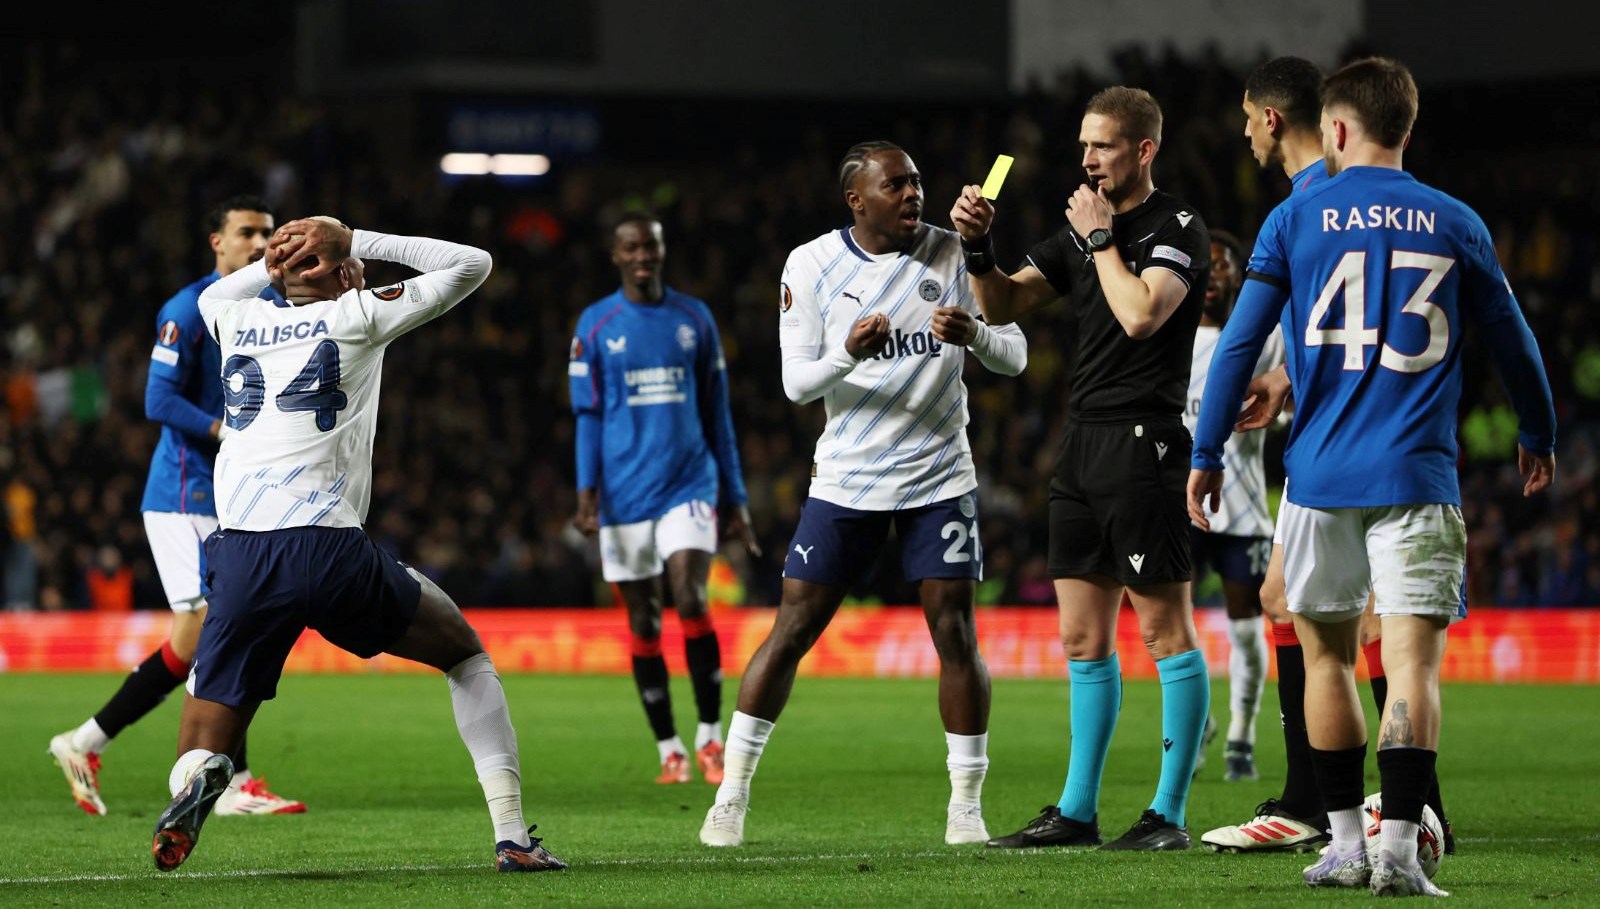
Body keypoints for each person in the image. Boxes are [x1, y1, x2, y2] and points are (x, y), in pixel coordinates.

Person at [1189, 57, 1555, 896]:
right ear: (1405, 127)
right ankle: (1399, 853)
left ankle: (1346, 844)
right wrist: (1537, 431)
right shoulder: (1456, 220)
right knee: (1411, 664)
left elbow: (1238, 346)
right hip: (1419, 474)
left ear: (1338, 128)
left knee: (1324, 659)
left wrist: (1206, 453)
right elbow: (1515, 341)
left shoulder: (1295, 217)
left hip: (1319, 478)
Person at [149, 216, 566, 874]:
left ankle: (202, 776)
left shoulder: (230, 314)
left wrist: (282, 262)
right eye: (351, 261)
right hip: (326, 548)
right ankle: (512, 835)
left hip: (240, 555)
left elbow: (224, 289)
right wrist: (353, 236)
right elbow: (472, 262)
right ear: (341, 269)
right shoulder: (357, 314)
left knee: (201, 738)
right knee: (464, 653)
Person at [698, 140, 1026, 849]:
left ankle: (966, 806)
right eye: (895, 185)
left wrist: (976, 335)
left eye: (917, 182)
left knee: (956, 634)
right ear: (857, 200)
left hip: (940, 475)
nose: (913, 195)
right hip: (849, 479)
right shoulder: (812, 263)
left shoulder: (954, 251)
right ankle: (731, 795)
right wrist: (847, 351)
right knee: (792, 630)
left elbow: (1017, 354)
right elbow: (796, 384)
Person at [1199, 56, 1453, 856]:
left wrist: (1212, 439)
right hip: (1369, 441)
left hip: (1348, 452)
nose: (1244, 133)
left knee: (1348, 618)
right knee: (1292, 601)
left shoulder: (1314, 205)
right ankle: (1342, 800)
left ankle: (1375, 807)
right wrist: (1288, 380)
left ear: (1274, 119)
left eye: (1248, 117)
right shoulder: (1360, 198)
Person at [957, 87, 1212, 851]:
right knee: (1080, 637)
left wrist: (1100, 240)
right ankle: (1076, 811)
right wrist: (979, 249)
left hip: (1146, 442)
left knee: (1163, 630)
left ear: (1143, 149)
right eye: (1083, 145)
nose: (1087, 159)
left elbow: (1141, 314)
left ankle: (1168, 813)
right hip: (1083, 444)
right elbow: (1001, 305)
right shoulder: (1081, 229)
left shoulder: (1178, 227)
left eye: (1102, 145)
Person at [49, 195, 304, 817]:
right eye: (247, 232)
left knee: (212, 633)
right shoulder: (188, 310)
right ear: (217, 241)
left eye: (267, 233)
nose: (260, 243)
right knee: (220, 625)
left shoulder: (274, 307)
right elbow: (157, 400)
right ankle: (231, 783)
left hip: (237, 493)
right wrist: (226, 430)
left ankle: (85, 742)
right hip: (185, 492)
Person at [569, 212, 759, 785]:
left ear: (662, 250)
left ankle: (709, 737)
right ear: (616, 255)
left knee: (691, 597)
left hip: (689, 482)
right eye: (631, 248)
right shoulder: (596, 324)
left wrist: (735, 497)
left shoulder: (693, 318)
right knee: (644, 620)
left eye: (650, 246)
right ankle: (669, 747)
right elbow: (587, 417)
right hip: (623, 493)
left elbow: (717, 412)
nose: (642, 256)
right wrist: (586, 492)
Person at [1183, 227, 1282, 784]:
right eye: (1207, 263)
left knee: (1246, 628)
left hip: (1242, 507)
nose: (1214, 274)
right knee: (1173, 623)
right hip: (1181, 502)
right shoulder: (1167, 336)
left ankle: (1241, 735)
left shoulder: (1263, 340)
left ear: (1240, 279)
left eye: (1224, 265)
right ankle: (1199, 722)